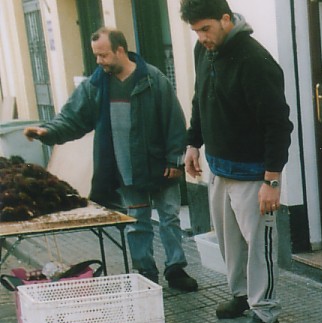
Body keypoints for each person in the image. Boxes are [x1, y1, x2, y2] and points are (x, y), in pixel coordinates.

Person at [23, 27, 198, 291]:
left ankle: (176, 269)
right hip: (126, 169)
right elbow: (73, 117)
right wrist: (47, 131)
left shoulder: (153, 79)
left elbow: (174, 120)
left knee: (170, 218)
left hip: (161, 167)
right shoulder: (96, 84)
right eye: (96, 56)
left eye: (103, 55)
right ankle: (145, 271)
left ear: (120, 50)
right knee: (136, 222)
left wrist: (175, 160)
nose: (99, 61)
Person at [180, 0, 292, 323]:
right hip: (219, 168)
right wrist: (192, 143)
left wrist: (271, 179)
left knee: (259, 246)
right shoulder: (205, 53)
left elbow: (278, 125)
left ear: (226, 19)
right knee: (230, 243)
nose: (201, 38)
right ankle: (242, 296)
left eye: (206, 29)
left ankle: (266, 312)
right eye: (195, 31)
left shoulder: (255, 61)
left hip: (254, 174)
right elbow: (200, 100)